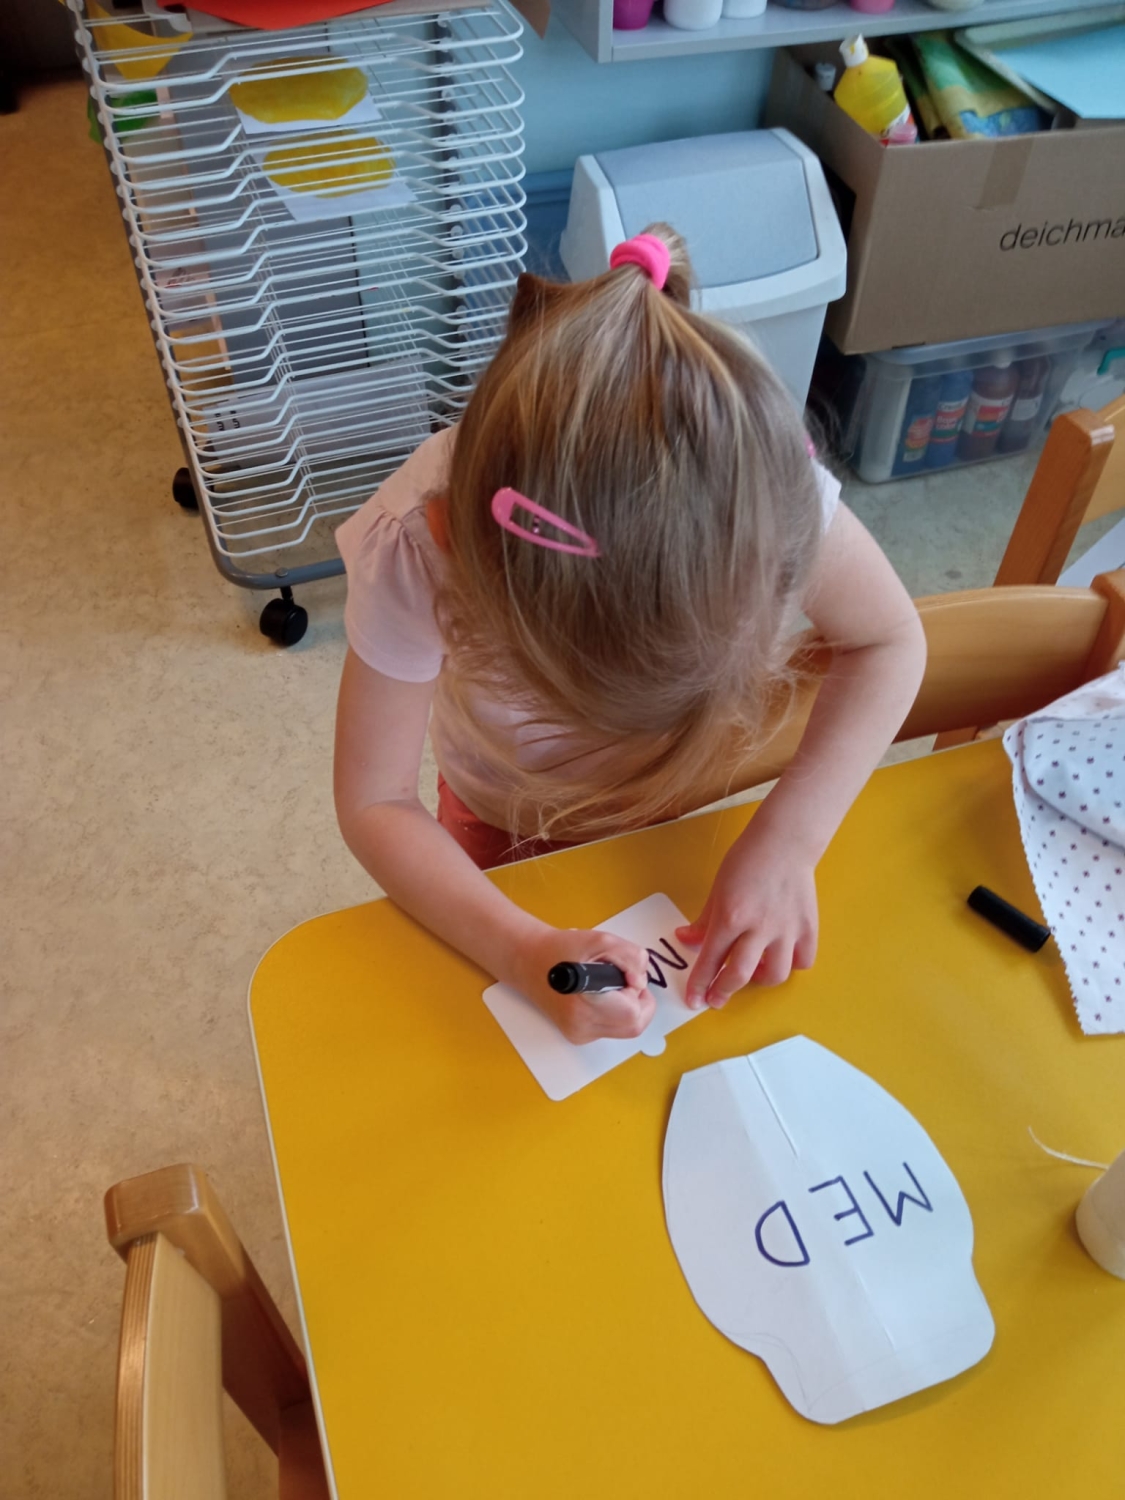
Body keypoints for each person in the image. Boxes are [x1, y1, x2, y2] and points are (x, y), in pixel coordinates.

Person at [334, 225, 927, 1046]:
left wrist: (789, 839)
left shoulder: (764, 502)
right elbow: (376, 801)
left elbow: (889, 642)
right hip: (506, 819)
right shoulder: (416, 543)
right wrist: (520, 949)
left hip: (684, 812)